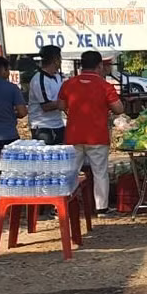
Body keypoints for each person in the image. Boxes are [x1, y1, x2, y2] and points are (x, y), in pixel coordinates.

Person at [57, 51, 124, 214]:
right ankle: (101, 208)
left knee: (70, 171)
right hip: (97, 136)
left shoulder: (68, 84)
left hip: (73, 135)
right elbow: (119, 108)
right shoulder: (105, 86)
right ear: (99, 65)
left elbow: (60, 105)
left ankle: (64, 205)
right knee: (100, 172)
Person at [28, 45, 66, 144]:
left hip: (58, 124)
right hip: (43, 127)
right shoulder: (39, 79)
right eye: (60, 58)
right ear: (55, 60)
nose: (61, 61)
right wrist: (66, 102)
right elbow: (46, 106)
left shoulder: (58, 77)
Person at [0, 56, 28, 168]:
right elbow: (22, 112)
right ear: (1, 69)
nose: (9, 73)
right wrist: (12, 114)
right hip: (8, 136)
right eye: (8, 70)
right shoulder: (12, 88)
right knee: (9, 171)